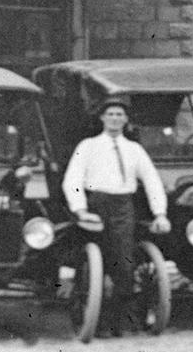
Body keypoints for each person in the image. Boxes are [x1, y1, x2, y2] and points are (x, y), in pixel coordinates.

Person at [61, 95, 172, 338]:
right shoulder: (88, 146)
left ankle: (121, 321)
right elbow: (73, 179)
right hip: (96, 204)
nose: (114, 118)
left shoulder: (134, 150)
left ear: (126, 120)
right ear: (102, 118)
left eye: (119, 115)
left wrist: (160, 213)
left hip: (123, 206)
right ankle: (94, 321)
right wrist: (80, 210)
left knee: (124, 262)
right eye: (110, 114)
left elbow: (152, 181)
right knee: (93, 261)